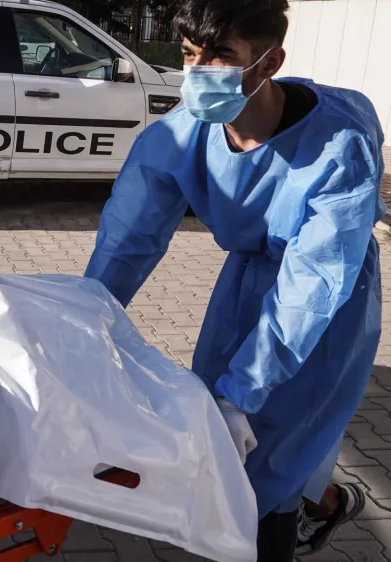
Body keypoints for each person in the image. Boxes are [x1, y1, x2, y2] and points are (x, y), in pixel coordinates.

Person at [82, 0, 385, 559]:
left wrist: (245, 390)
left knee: (268, 466)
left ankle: (280, 529)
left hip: (327, 305)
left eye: (222, 56)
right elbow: (127, 242)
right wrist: (83, 322)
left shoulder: (336, 145)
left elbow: (313, 281)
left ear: (270, 63)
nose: (200, 73)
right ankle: (329, 502)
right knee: (225, 441)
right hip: (242, 285)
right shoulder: (177, 139)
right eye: (191, 55)